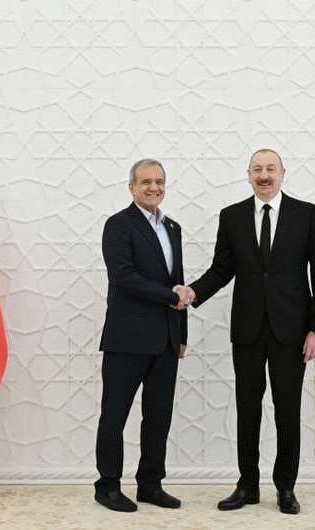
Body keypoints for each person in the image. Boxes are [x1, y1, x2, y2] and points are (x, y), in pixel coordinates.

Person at [175, 149, 315, 515]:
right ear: (248, 175)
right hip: (247, 329)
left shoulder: (307, 214)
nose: (264, 175)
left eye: (270, 169)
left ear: (283, 173)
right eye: (257, 169)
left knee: (287, 411)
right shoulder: (231, 216)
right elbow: (222, 269)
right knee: (247, 409)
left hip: (292, 331)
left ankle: (286, 487)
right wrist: (193, 292)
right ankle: (247, 485)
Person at [94, 159, 194, 512]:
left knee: (158, 416)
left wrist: (181, 333)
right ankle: (107, 486)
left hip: (165, 340)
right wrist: (170, 296)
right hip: (127, 339)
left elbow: (177, 281)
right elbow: (123, 277)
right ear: (132, 187)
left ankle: (150, 484)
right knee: (115, 415)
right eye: (146, 182)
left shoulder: (172, 227)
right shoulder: (118, 225)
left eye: (159, 181)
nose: (154, 187)